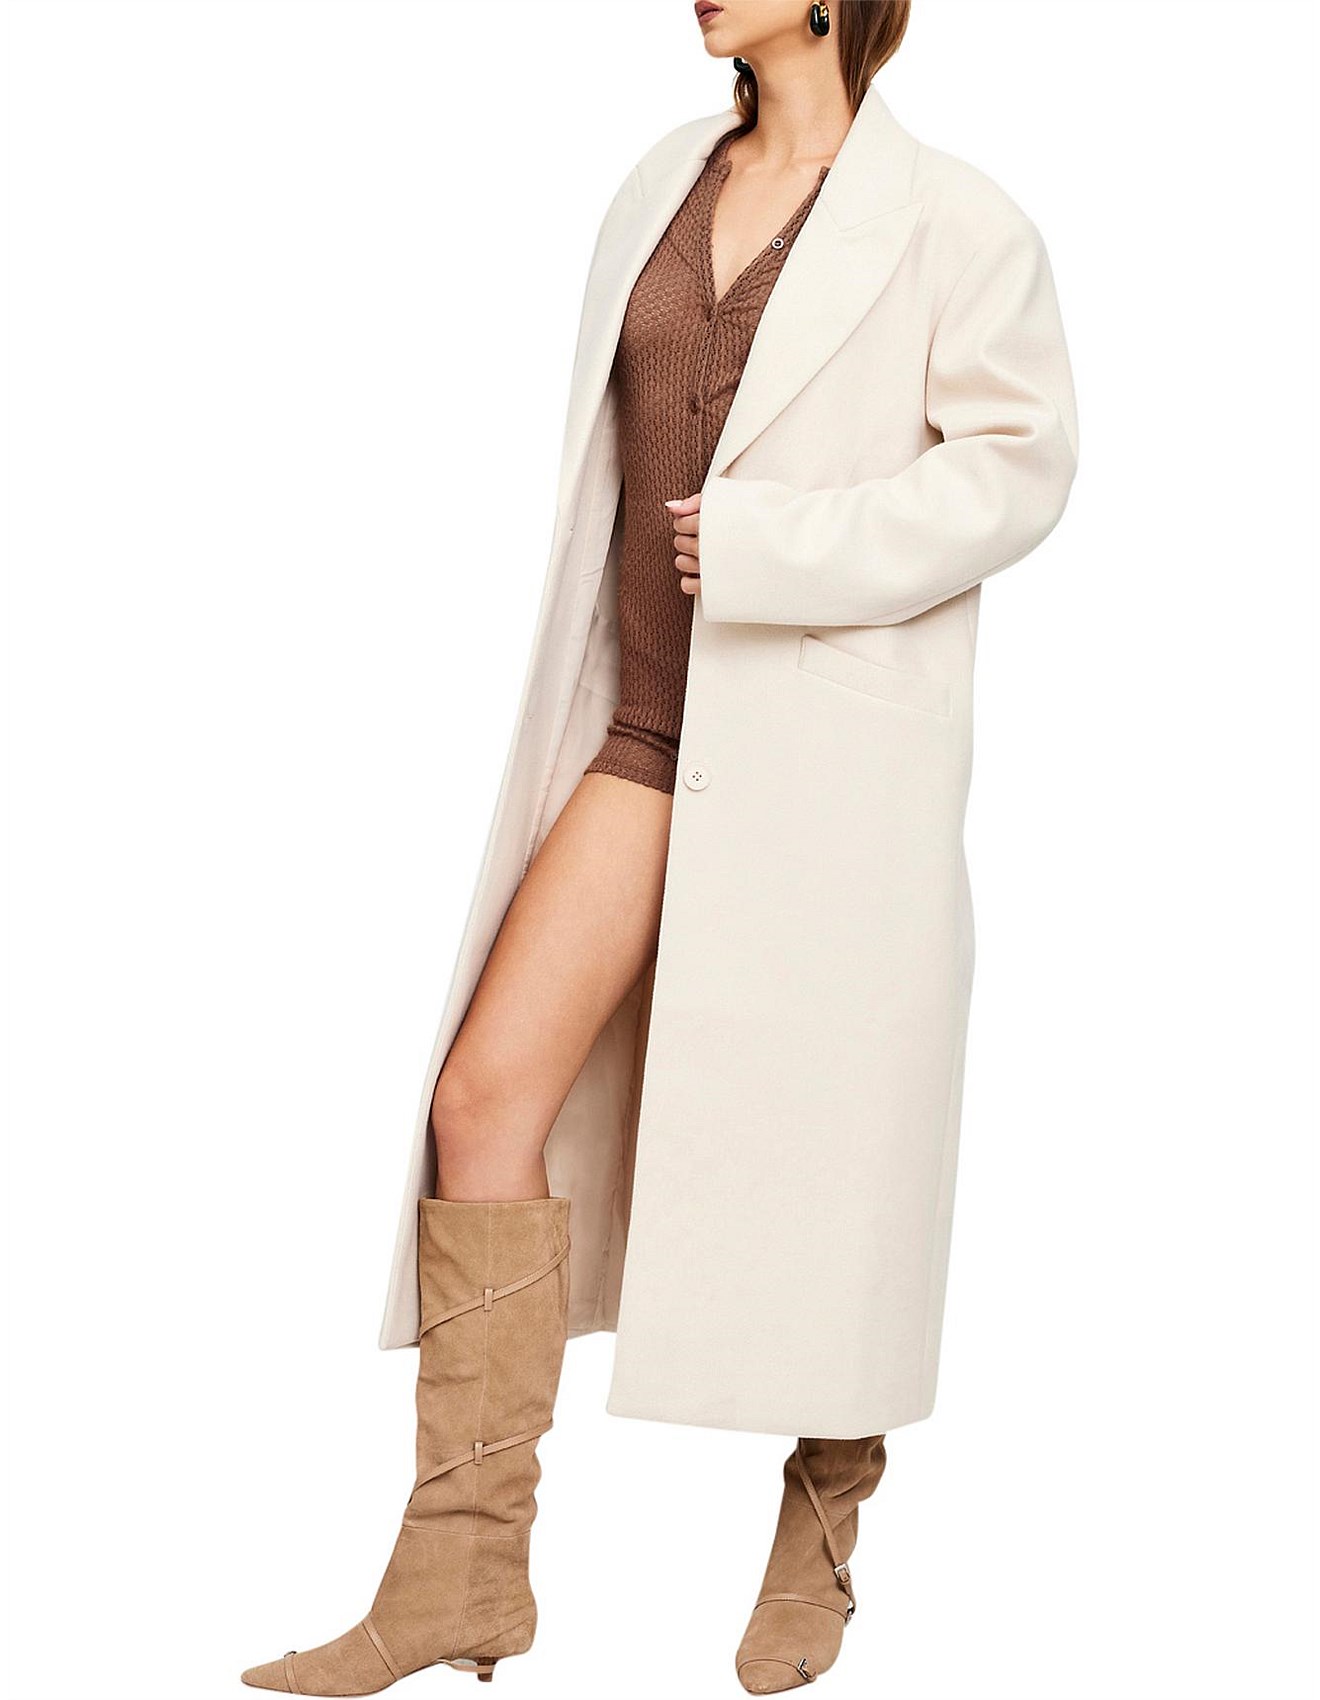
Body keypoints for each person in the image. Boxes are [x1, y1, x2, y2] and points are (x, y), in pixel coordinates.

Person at [242, 1, 1078, 1692]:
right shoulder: (661, 183)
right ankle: (463, 1575)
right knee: (484, 1100)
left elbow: (1020, 472)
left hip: (827, 754)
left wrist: (778, 545)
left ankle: (825, 1516)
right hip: (646, 728)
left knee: (844, 1158)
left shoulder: (958, 218)